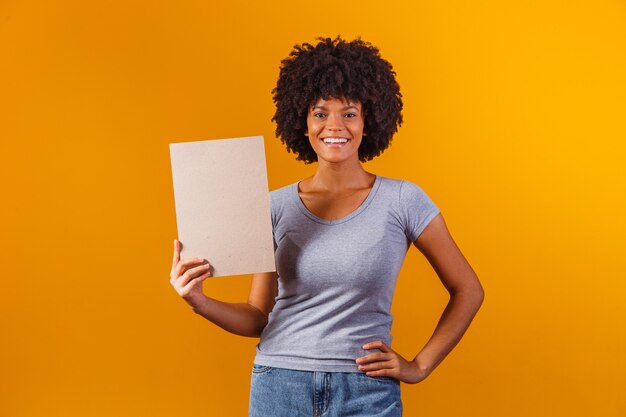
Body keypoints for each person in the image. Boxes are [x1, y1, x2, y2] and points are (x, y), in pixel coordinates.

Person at [170, 35, 484, 417]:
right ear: (302, 123)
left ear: (369, 122)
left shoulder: (403, 200)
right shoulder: (274, 205)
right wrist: (199, 300)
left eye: (349, 113)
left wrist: (418, 367)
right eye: (320, 113)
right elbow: (258, 315)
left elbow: (468, 289)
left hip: (365, 389)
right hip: (279, 384)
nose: (334, 126)